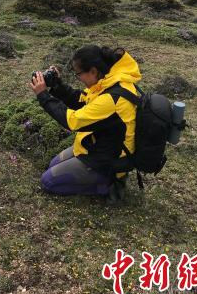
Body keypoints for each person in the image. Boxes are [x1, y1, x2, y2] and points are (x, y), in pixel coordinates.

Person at [29, 45, 142, 203]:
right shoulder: (109, 81)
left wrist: (43, 96)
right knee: (52, 165)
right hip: (97, 145)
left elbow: (73, 121)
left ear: (93, 71)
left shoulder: (112, 98)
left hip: (109, 159)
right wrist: (57, 86)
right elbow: (82, 100)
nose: (79, 78)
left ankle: (108, 184)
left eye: (79, 74)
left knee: (48, 181)